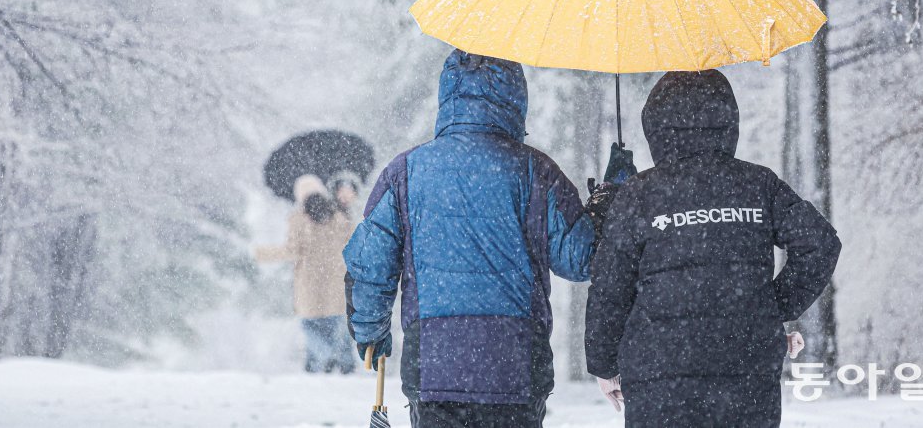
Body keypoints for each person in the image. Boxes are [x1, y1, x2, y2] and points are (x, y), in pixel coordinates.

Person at [343, 49, 608, 428]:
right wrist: (611, 200)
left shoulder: (405, 171)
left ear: (447, 93)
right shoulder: (535, 170)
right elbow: (582, 258)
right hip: (514, 365)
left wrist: (370, 329)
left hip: (434, 366)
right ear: (516, 96)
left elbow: (369, 263)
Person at [585, 70, 841, 428]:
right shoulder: (758, 184)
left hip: (659, 377)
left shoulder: (638, 194)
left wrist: (603, 362)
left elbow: (610, 285)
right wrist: (766, 308)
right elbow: (819, 245)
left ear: (656, 125)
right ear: (728, 121)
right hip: (746, 369)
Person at [255, 174, 357, 374]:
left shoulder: (298, 219)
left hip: (309, 284)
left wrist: (262, 253)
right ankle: (343, 365)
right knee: (338, 327)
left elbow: (292, 250)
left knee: (311, 326)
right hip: (336, 282)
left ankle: (324, 357)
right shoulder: (337, 216)